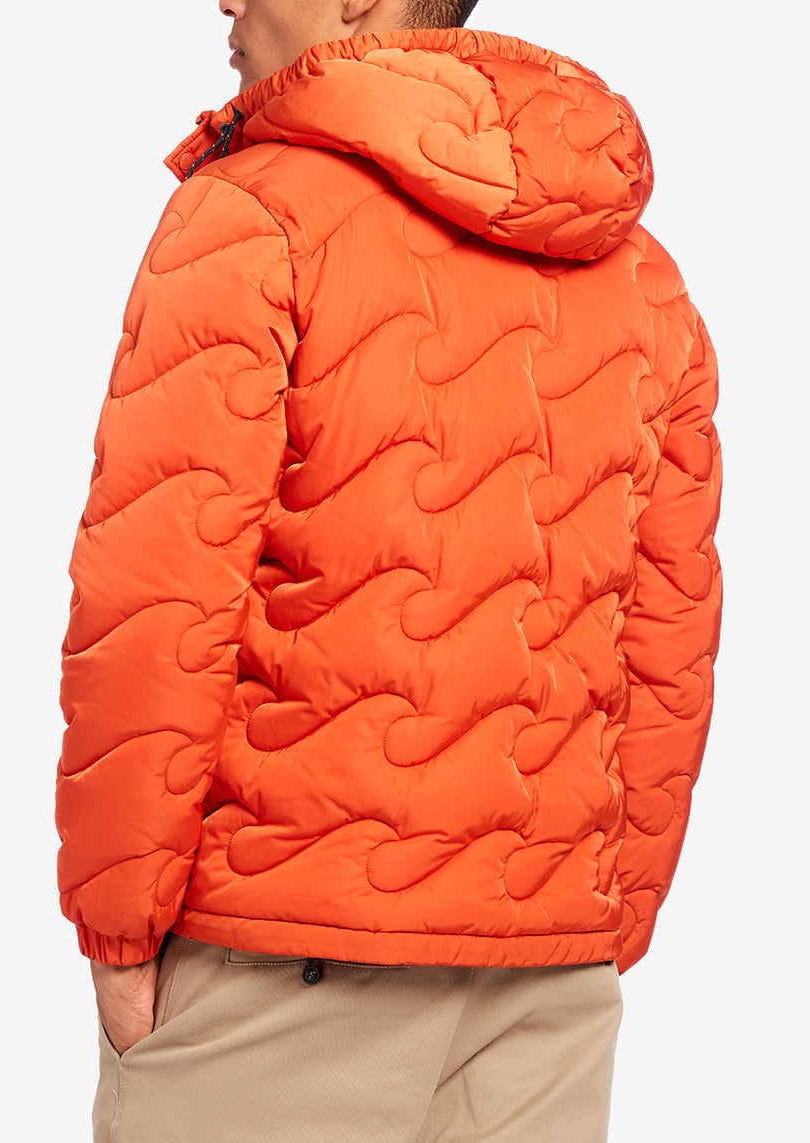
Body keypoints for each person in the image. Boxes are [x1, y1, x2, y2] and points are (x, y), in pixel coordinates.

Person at [54, 1, 723, 1140]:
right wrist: (608, 923)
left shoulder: (250, 218)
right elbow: (671, 630)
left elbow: (154, 605)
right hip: (546, 980)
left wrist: (116, 934)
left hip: (281, 964)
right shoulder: (644, 276)